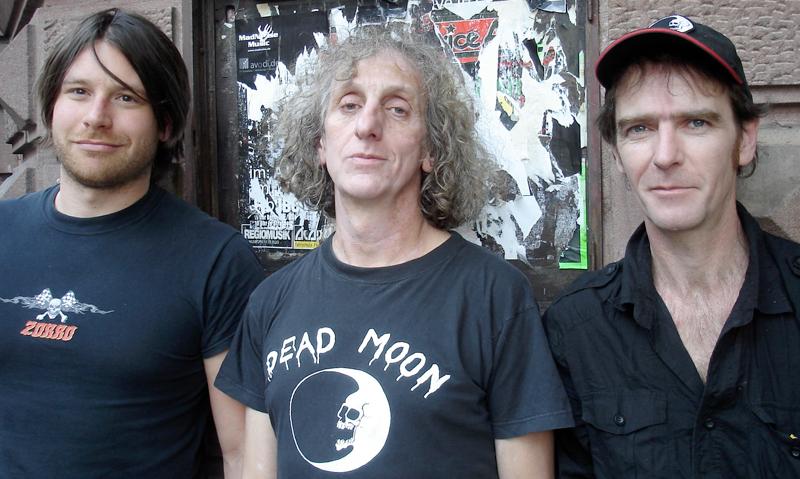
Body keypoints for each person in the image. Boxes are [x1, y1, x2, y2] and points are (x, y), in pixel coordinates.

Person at [215, 26, 573, 478]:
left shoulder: (493, 296)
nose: (367, 125)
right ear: (320, 143)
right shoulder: (271, 302)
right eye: (349, 105)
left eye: (397, 108)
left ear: (430, 149)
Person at [0, 8, 265, 478]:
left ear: (165, 124)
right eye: (79, 92)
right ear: (51, 107)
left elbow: (243, 455)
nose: (96, 117)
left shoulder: (214, 261)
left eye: (125, 97)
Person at [543, 14, 800, 478]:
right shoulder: (574, 329)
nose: (665, 156)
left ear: (744, 140)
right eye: (639, 128)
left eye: (695, 122)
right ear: (617, 153)